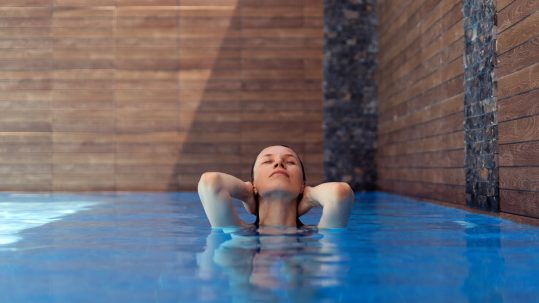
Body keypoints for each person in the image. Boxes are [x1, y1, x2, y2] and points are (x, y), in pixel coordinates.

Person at [197, 145, 354, 229]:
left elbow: (340, 194)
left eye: (291, 162)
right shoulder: (237, 231)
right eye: (267, 161)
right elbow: (210, 182)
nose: (279, 163)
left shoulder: (315, 235)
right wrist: (247, 192)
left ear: (302, 186)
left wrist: (309, 197)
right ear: (254, 184)